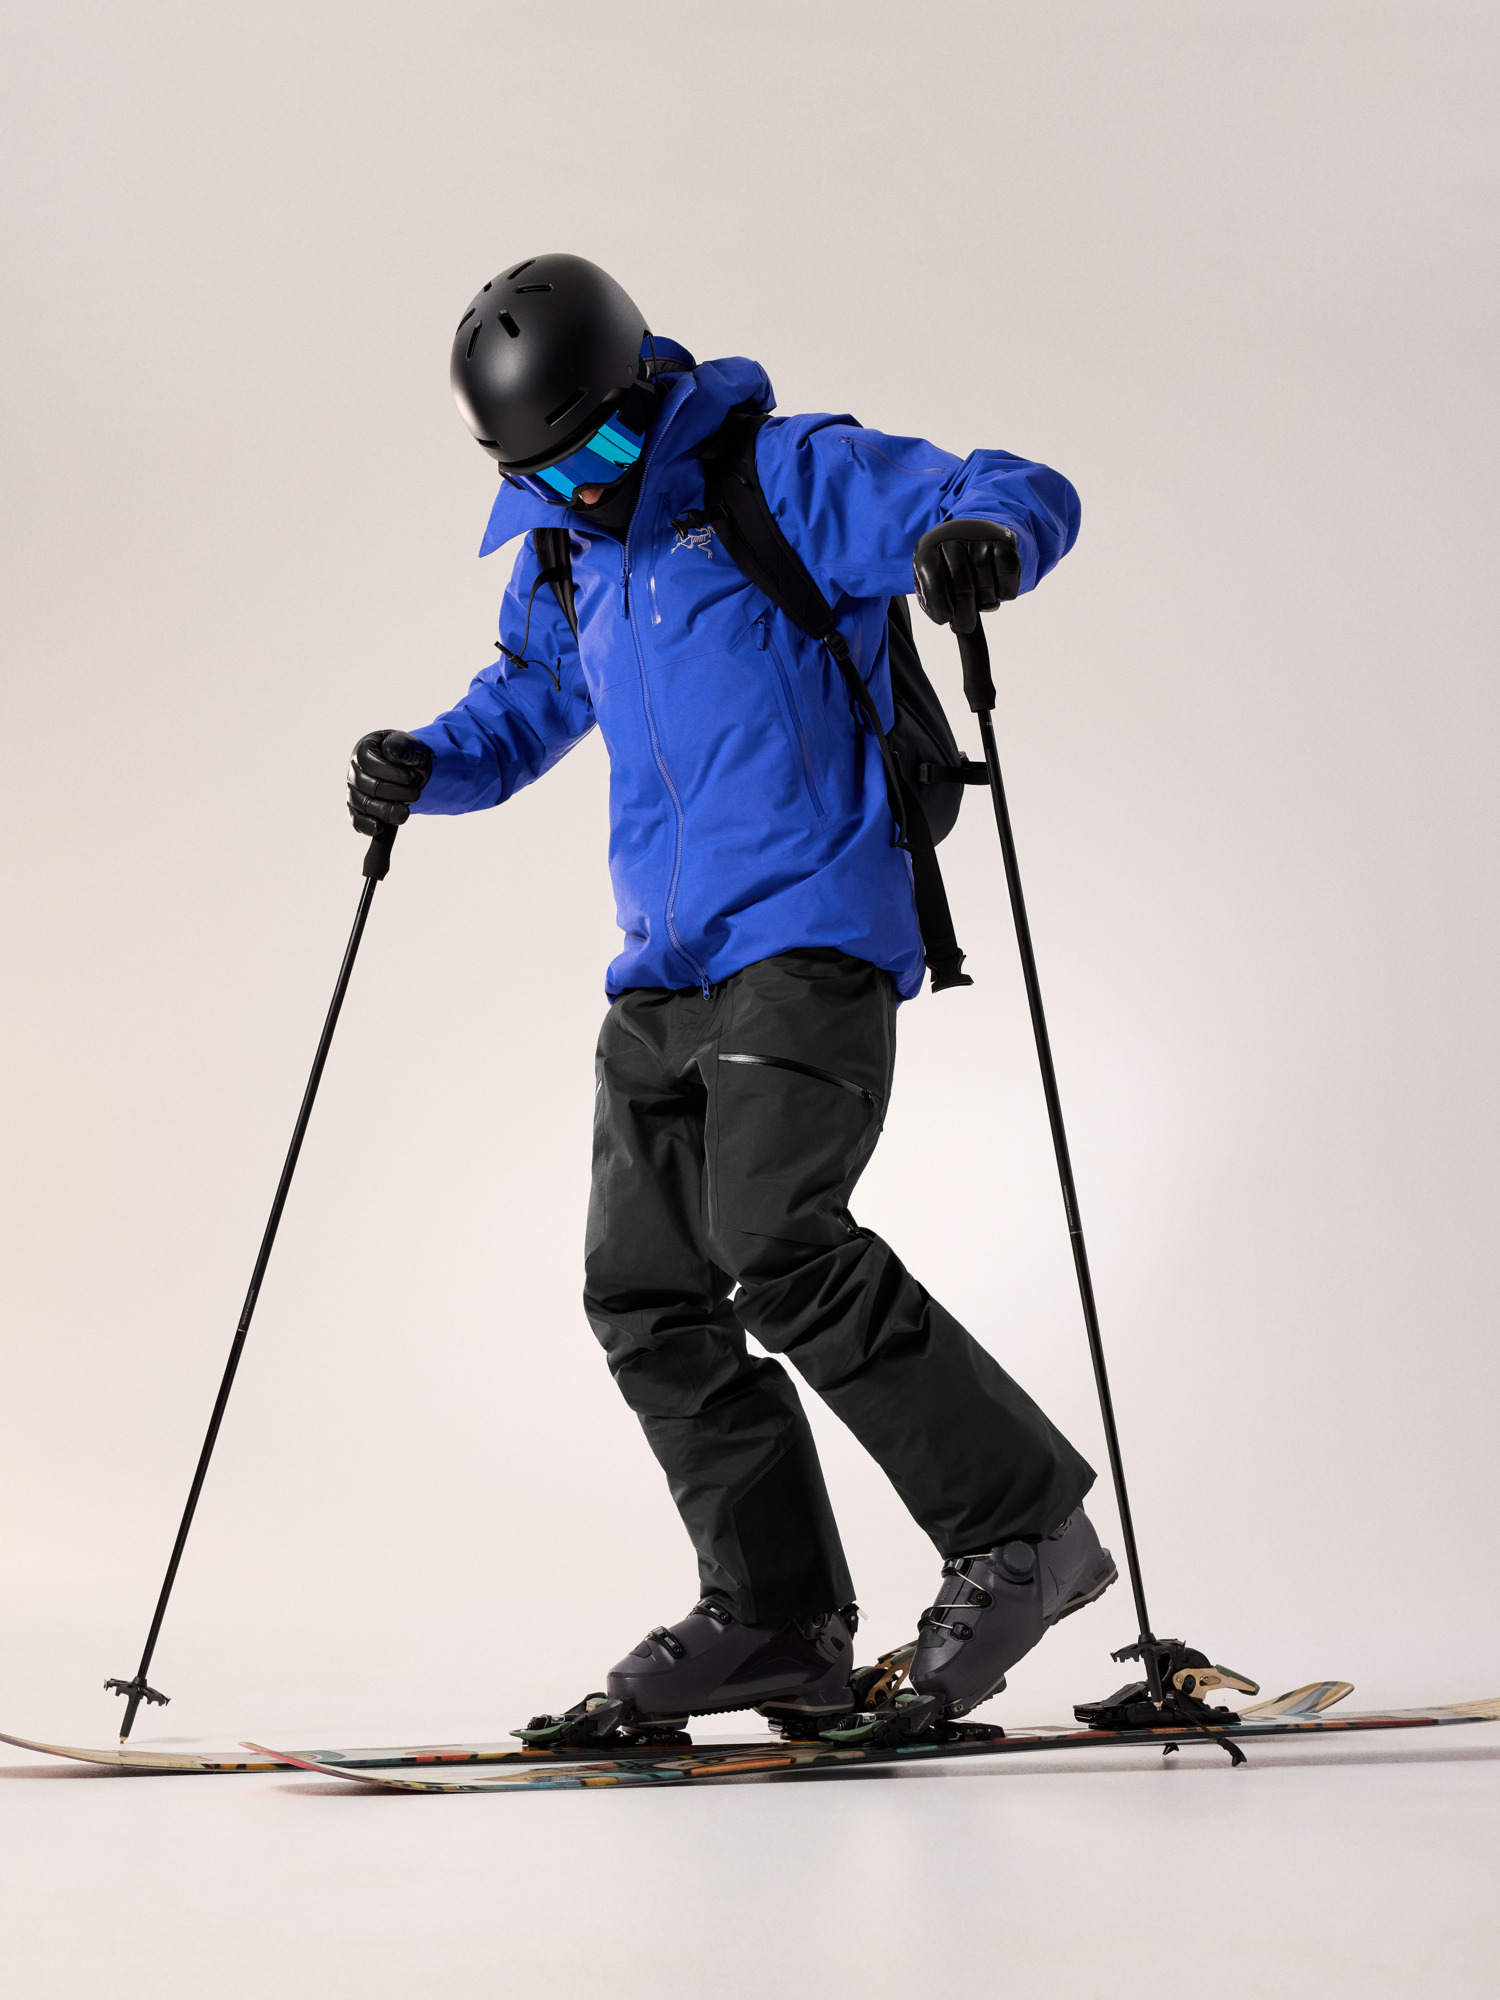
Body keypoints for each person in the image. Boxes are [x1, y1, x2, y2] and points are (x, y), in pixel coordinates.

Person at [347, 254, 1116, 1727]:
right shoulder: (567, 551)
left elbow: (1013, 484)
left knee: (780, 1242)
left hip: (811, 932)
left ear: (642, 388)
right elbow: (526, 703)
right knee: (643, 1290)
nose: (582, 487)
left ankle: (1027, 1536)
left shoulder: (782, 473)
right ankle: (775, 1618)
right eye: (544, 473)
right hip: (665, 963)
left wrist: (985, 540)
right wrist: (426, 764)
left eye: (601, 450)